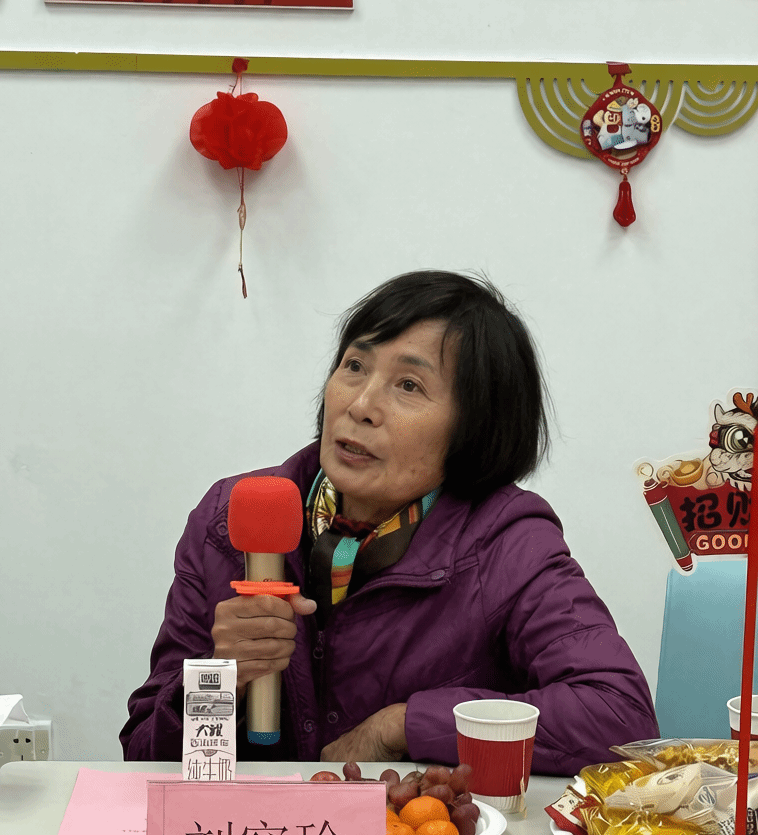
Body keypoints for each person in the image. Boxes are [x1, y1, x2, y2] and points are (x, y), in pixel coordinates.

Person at [120, 270, 659, 773]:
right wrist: (222, 678)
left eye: (409, 386)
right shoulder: (231, 518)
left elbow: (620, 717)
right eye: (354, 366)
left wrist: (403, 726)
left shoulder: (507, 540)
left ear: (474, 427)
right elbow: (143, 753)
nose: (361, 404)